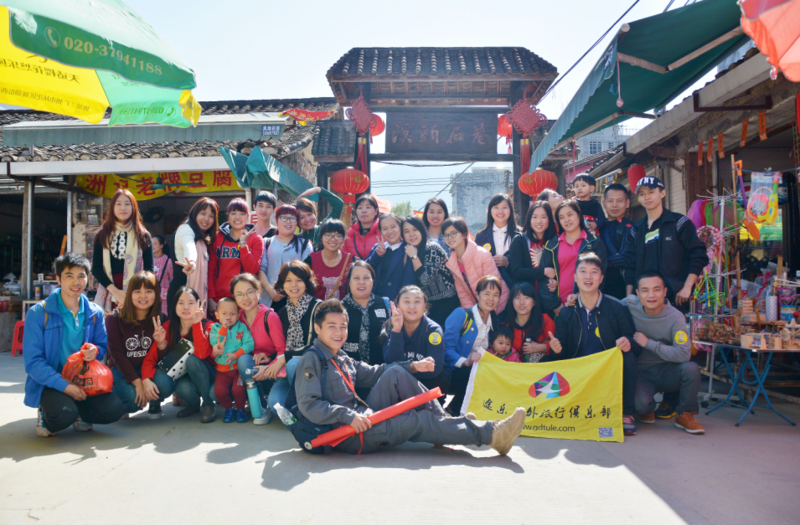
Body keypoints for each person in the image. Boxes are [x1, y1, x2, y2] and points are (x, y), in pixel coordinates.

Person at [293, 299, 527, 455]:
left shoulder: (341, 357)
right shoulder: (311, 360)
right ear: (318, 328)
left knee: (396, 372)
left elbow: (376, 372)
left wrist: (413, 366)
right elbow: (309, 405)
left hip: (364, 415)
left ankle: (444, 423)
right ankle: (492, 435)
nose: (339, 332)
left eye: (343, 326)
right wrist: (348, 415)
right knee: (416, 421)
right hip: (348, 433)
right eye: (332, 326)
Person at [23, 253, 126, 437]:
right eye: (69, 276)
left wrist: (95, 351)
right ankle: (46, 413)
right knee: (63, 415)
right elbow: (33, 362)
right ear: (58, 279)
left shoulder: (95, 312)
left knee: (115, 409)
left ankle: (79, 412)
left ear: (88, 278)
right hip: (51, 382)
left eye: (81, 276)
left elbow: (102, 346)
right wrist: (65, 386)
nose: (76, 282)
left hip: (84, 379)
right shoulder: (38, 313)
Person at [548, 253, 641, 436]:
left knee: (628, 356)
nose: (588, 276)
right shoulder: (567, 312)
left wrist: (628, 342)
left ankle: (626, 413)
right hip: (579, 375)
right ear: (575, 277)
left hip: (607, 375)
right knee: (545, 363)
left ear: (601, 278)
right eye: (583, 271)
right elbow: (562, 356)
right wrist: (556, 350)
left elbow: (636, 344)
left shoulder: (617, 308)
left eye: (594, 272)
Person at [626, 272, 704, 434]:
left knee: (691, 369)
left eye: (656, 289)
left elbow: (684, 354)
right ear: (638, 293)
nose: (651, 295)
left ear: (665, 291)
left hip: (667, 371)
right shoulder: (629, 304)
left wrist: (649, 343)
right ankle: (647, 408)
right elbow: (604, 302)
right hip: (641, 373)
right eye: (645, 290)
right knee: (641, 405)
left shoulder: (676, 317)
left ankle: (685, 414)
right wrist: (577, 297)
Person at [624, 176, 709, 313]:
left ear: (662, 193)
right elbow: (630, 264)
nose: (647, 197)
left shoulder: (679, 223)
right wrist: (629, 296)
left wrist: (687, 287)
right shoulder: (636, 230)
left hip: (675, 299)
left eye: (651, 192)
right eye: (642, 194)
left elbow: (698, 255)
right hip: (643, 302)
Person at [106, 271, 174, 419]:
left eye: (148, 291)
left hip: (151, 370)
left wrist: (162, 343)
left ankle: (155, 403)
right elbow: (117, 356)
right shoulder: (114, 318)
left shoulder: (162, 319)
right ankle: (123, 403)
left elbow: (164, 359)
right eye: (137, 291)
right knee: (133, 401)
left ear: (156, 294)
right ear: (130, 294)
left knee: (165, 384)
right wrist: (137, 383)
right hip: (123, 369)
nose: (143, 296)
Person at [144, 287, 216, 422]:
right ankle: (193, 405)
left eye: (191, 303)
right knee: (182, 388)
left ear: (198, 305)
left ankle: (208, 405)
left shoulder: (208, 325)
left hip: (207, 374)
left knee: (192, 360)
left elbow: (201, 354)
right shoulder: (168, 327)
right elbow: (151, 359)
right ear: (175, 306)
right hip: (183, 376)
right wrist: (146, 379)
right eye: (181, 303)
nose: (186, 307)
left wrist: (196, 324)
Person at [267, 260, 322, 415]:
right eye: (288, 280)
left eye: (299, 280)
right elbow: (280, 344)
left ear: (307, 283)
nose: (294, 285)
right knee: (275, 404)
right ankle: (299, 408)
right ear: (282, 284)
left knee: (293, 364)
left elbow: (318, 344)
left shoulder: (318, 307)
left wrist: (285, 358)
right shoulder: (283, 312)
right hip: (288, 370)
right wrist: (268, 359)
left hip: (314, 366)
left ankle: (308, 407)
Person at [231, 273, 286, 425]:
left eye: (250, 292)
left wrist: (268, 365)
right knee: (216, 393)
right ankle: (257, 403)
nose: (245, 298)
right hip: (248, 370)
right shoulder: (236, 318)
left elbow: (282, 351)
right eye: (239, 294)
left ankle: (261, 407)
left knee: (244, 360)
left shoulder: (270, 317)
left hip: (272, 372)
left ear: (259, 292)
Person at [443, 275, 503, 415]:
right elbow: (446, 348)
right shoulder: (461, 314)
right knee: (472, 374)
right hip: (453, 373)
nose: (491, 298)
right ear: (477, 294)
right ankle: (454, 410)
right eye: (486, 293)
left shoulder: (495, 323)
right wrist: (465, 361)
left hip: (476, 373)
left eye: (495, 295)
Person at [539, 199, 607, 314]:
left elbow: (601, 275)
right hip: (557, 308)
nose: (566, 220)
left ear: (579, 215)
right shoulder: (552, 245)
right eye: (561, 217)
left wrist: (582, 298)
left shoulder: (594, 242)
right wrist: (556, 306)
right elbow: (543, 278)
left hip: (586, 307)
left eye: (570, 215)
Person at [92, 189, 154, 311]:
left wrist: (131, 292)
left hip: (135, 291)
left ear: (133, 207)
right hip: (108, 290)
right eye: (118, 204)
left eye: (127, 204)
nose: (123, 208)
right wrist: (116, 293)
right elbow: (96, 268)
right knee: (109, 322)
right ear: (112, 208)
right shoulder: (102, 235)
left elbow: (149, 270)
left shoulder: (143, 235)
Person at [382, 286, 449, 395]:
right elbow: (391, 363)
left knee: (441, 378)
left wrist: (408, 370)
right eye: (407, 301)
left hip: (427, 382)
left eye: (417, 301)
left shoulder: (433, 329)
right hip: (399, 381)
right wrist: (397, 330)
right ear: (398, 305)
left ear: (424, 306)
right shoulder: (391, 327)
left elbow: (434, 368)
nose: (412, 306)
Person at [401, 215, 460, 327]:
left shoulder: (432, 248)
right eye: (407, 231)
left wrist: (414, 257)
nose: (411, 234)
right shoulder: (407, 251)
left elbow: (426, 280)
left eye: (415, 229)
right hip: (427, 305)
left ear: (422, 230)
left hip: (446, 304)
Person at [442, 217, 509, 312]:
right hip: (479, 311)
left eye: (453, 233)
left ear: (464, 234)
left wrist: (487, 316)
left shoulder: (483, 255)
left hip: (500, 306)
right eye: (446, 235)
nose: (450, 237)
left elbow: (494, 288)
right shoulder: (452, 263)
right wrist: (473, 314)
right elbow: (463, 295)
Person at [208, 198, 264, 311]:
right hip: (220, 299)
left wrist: (243, 245)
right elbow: (210, 270)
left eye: (242, 214)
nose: (237, 217)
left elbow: (252, 270)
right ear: (228, 216)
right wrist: (210, 298)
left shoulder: (256, 239)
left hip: (245, 300)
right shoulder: (217, 237)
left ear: (248, 216)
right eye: (233, 213)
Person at [167, 197, 219, 316]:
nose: (206, 219)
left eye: (211, 216)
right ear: (194, 213)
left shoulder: (202, 237)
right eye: (203, 214)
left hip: (194, 297)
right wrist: (192, 262)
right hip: (181, 298)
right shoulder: (185, 229)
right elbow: (189, 246)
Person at [209, 298, 255, 423]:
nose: (228, 317)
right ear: (217, 315)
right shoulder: (215, 328)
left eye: (232, 314)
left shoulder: (241, 328)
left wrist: (236, 355)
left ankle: (241, 409)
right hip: (222, 371)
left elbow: (249, 344)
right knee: (219, 391)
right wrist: (223, 329)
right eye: (224, 314)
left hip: (238, 369)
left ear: (238, 315)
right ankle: (229, 409)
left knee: (238, 390)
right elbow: (214, 342)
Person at [258, 204, 313, 309]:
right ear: (276, 220)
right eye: (283, 217)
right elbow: (260, 269)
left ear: (297, 222)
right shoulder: (265, 242)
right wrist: (270, 290)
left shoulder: (305, 244)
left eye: (292, 218)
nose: (288, 221)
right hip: (268, 298)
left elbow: (307, 272)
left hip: (296, 299)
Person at [341, 261, 391, 365]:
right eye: (356, 278)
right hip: (348, 368)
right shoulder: (339, 308)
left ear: (373, 281)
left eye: (366, 278)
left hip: (381, 369)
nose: (361, 282)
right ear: (349, 282)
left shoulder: (386, 305)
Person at [508, 201, 558, 298]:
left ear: (549, 219)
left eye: (543, 217)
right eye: (534, 217)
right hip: (525, 298)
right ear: (529, 219)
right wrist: (544, 272)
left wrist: (553, 281)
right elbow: (517, 271)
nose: (539, 221)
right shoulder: (519, 240)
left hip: (548, 299)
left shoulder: (554, 242)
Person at [499, 282, 555, 363]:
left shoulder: (544, 320)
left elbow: (559, 345)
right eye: (517, 298)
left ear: (534, 302)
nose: (522, 302)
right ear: (511, 302)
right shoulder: (504, 327)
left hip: (540, 368)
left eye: (526, 297)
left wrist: (540, 347)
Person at [366, 213, 416, 302]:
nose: (390, 231)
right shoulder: (377, 247)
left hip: (394, 301)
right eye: (385, 229)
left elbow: (408, 281)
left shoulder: (408, 249)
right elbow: (364, 269)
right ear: (381, 232)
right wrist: (377, 256)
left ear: (400, 227)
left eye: (393, 227)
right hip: (373, 300)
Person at [474, 193, 519, 289]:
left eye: (504, 207)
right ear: (490, 211)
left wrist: (508, 261)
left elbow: (526, 261)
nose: (500, 211)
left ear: (510, 210)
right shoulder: (480, 236)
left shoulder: (520, 234)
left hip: (515, 286)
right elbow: (476, 264)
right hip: (489, 288)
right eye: (496, 207)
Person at [600, 183, 635, 300]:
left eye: (619, 201)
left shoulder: (631, 228)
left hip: (623, 286)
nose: (614, 205)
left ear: (627, 203)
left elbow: (626, 258)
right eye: (610, 201)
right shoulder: (598, 227)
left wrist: (599, 260)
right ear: (604, 204)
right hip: (600, 286)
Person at [304, 219, 352, 301]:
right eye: (328, 235)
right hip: (316, 307)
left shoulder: (350, 260)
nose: (333, 239)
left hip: (343, 308)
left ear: (343, 238)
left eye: (338, 235)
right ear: (321, 237)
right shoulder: (310, 259)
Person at [343, 193, 381, 260]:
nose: (363, 211)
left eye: (368, 207)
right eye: (360, 208)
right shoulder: (350, 234)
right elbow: (343, 256)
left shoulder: (383, 231)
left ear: (376, 211)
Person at [151, 235, 173, 316]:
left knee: (163, 317)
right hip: (150, 293)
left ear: (161, 245)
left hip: (163, 296)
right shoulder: (146, 260)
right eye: (151, 243)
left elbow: (171, 279)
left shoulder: (168, 261)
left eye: (155, 243)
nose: (152, 246)